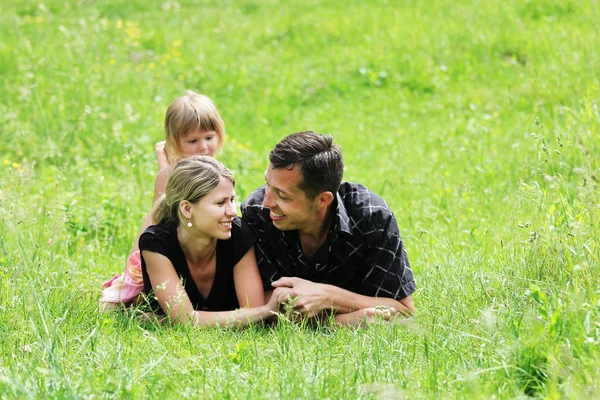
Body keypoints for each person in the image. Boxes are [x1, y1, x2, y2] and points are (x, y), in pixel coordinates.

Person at [241, 131, 417, 325]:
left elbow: (403, 311)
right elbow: (260, 307)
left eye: (283, 195)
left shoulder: (371, 218)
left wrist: (327, 296)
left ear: (323, 200)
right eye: (267, 183)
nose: (267, 202)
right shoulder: (257, 213)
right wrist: (341, 321)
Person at [101, 91, 226, 308]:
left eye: (209, 137)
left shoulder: (217, 173)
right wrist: (135, 267)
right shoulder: (170, 175)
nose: (204, 147)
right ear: (175, 142)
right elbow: (155, 219)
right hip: (172, 251)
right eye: (193, 141)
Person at [137, 155, 278, 326]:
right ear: (187, 209)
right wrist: (264, 311)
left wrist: (165, 321)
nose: (233, 212)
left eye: (232, 200)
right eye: (220, 203)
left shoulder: (238, 234)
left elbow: (253, 318)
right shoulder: (157, 244)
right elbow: (187, 321)